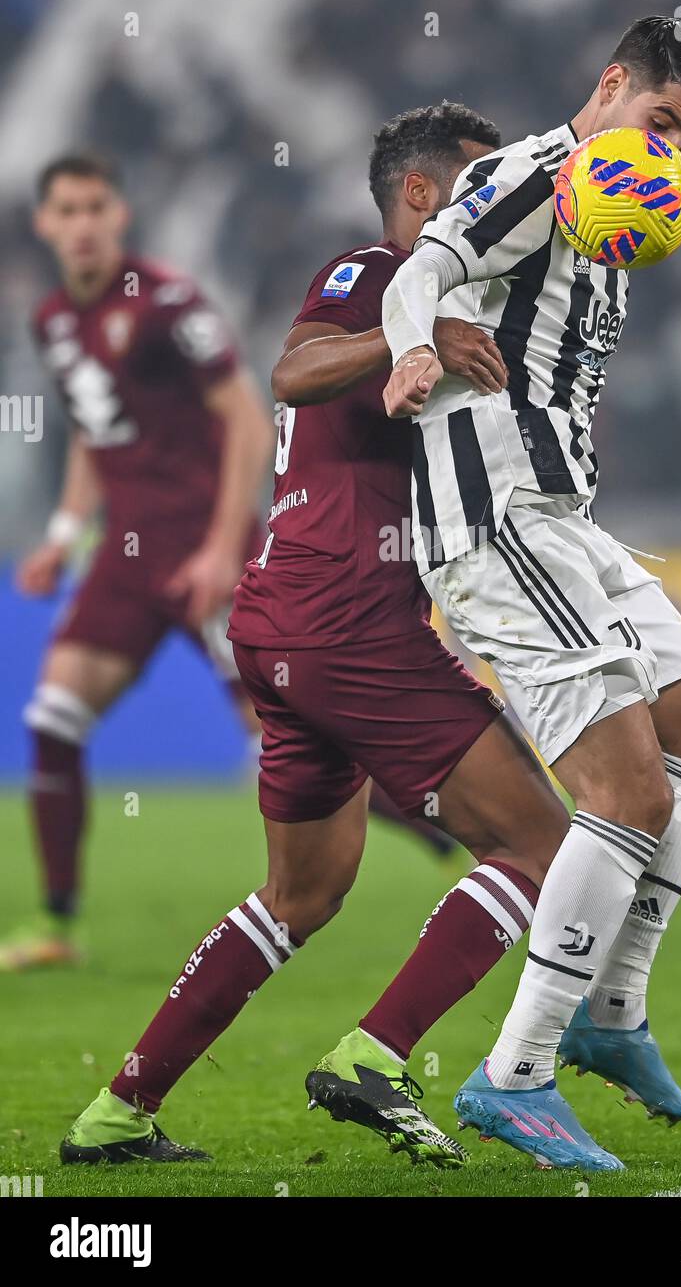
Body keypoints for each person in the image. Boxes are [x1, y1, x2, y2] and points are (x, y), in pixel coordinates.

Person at [60, 104, 583, 1171]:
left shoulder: (443, 294)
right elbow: (289, 370)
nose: (497, 206)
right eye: (479, 186)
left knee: (303, 891)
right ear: (423, 196)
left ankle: (117, 1111)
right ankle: (377, 1056)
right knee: (540, 843)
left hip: (293, 621)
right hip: (346, 618)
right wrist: (418, 331)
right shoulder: (376, 272)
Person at [379, 18, 681, 1168]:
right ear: (609, 85)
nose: (671, 151)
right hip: (493, 522)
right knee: (625, 790)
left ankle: (610, 1009)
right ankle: (514, 1072)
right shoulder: (532, 175)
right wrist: (414, 343)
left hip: (562, 519)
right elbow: (426, 266)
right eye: (662, 122)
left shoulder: (617, 208)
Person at [1, 154, 272, 973]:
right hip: (127, 554)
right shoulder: (52, 319)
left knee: (296, 729)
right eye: (66, 211)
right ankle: (55, 922)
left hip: (207, 548)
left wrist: (226, 551)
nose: (82, 225)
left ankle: (464, 850)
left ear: (118, 215)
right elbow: (95, 427)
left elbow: (250, 425)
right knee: (53, 717)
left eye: (95, 207)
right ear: (45, 224)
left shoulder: (166, 304)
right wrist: (62, 530)